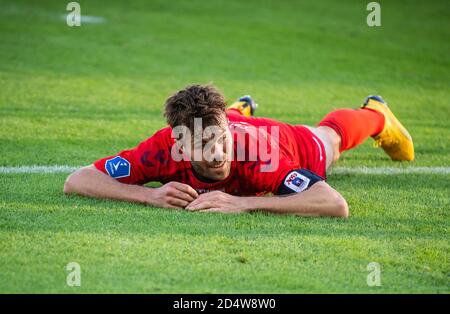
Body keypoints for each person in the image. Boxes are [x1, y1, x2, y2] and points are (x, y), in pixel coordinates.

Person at [63, 84, 414, 218]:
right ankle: (237, 111)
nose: (218, 153)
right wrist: (147, 196)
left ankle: (376, 114)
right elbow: (78, 180)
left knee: (329, 140)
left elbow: (335, 205)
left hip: (281, 139)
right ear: (180, 144)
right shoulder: (162, 149)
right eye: (203, 144)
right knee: (220, 121)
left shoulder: (262, 155)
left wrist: (242, 202)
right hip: (230, 122)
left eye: (220, 139)